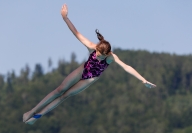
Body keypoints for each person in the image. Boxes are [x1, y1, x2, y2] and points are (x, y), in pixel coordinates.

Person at [23, 4, 156, 125]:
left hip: (89, 79)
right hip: (82, 70)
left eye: (100, 55)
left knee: (65, 95)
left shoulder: (111, 58)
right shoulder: (93, 47)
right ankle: (31, 111)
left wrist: (143, 80)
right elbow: (77, 33)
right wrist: (65, 18)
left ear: (106, 54)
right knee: (59, 90)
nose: (97, 55)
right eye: (97, 52)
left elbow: (127, 67)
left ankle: (37, 117)